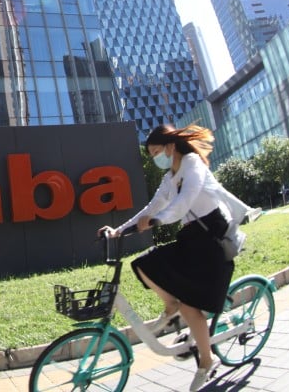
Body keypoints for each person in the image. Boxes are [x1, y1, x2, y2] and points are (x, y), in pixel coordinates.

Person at [99, 124, 238, 392]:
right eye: (150, 154)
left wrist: (158, 220)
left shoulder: (192, 163)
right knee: (144, 264)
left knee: (191, 306)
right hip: (190, 238)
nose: (154, 158)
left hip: (211, 237)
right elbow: (151, 208)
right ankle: (170, 306)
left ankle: (206, 362)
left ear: (170, 147)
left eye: (156, 151)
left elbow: (184, 202)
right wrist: (118, 231)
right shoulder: (168, 178)